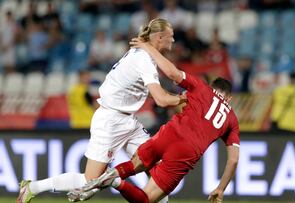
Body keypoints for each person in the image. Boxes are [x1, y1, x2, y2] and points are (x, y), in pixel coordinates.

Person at [16, 18, 184, 203]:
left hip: (128, 121)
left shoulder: (141, 55)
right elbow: (161, 99)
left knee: (158, 170)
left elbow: (148, 92)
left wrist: (178, 98)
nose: (173, 40)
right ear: (160, 37)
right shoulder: (143, 59)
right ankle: (32, 187)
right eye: (171, 36)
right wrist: (185, 99)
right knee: (89, 181)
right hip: (110, 121)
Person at [68, 38, 240, 203]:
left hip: (168, 133)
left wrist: (148, 48)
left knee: (134, 164)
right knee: (146, 199)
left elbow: (172, 73)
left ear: (212, 87)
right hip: (186, 151)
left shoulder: (202, 88)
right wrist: (221, 188)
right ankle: (115, 182)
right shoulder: (231, 119)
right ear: (229, 98)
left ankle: (111, 176)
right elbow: (233, 160)